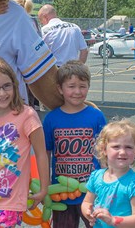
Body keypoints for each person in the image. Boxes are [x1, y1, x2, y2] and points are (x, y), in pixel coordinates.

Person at [0, 58, 50, 227]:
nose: (1, 93)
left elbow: (41, 153)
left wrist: (44, 188)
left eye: (6, 86)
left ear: (15, 85)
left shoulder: (26, 115)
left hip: (9, 202)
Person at [43, 61, 107, 227]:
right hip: (62, 193)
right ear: (60, 89)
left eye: (82, 86)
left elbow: (105, 152)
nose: (77, 91)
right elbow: (45, 153)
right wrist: (45, 185)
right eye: (71, 86)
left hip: (92, 192)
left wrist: (108, 181)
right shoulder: (51, 119)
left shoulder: (96, 117)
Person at [81, 119, 135, 228]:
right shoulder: (96, 177)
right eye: (116, 147)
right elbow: (86, 202)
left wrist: (113, 220)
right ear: (104, 150)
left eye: (128, 147)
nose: (122, 152)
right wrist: (88, 213)